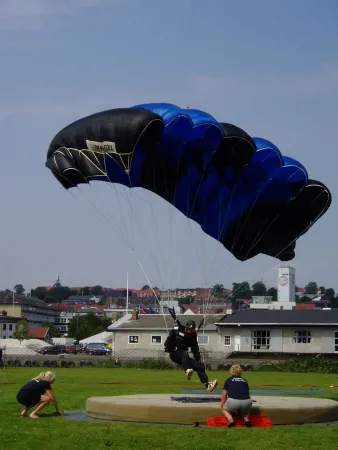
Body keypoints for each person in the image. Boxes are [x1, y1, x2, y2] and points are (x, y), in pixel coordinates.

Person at [164, 319, 218, 392]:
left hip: (184, 358)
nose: (190, 332)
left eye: (192, 330)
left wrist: (197, 358)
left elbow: (195, 347)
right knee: (185, 353)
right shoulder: (178, 330)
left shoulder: (193, 335)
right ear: (186, 328)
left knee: (200, 366)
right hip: (174, 353)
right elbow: (170, 337)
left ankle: (207, 385)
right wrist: (167, 346)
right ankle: (187, 370)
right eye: (189, 330)